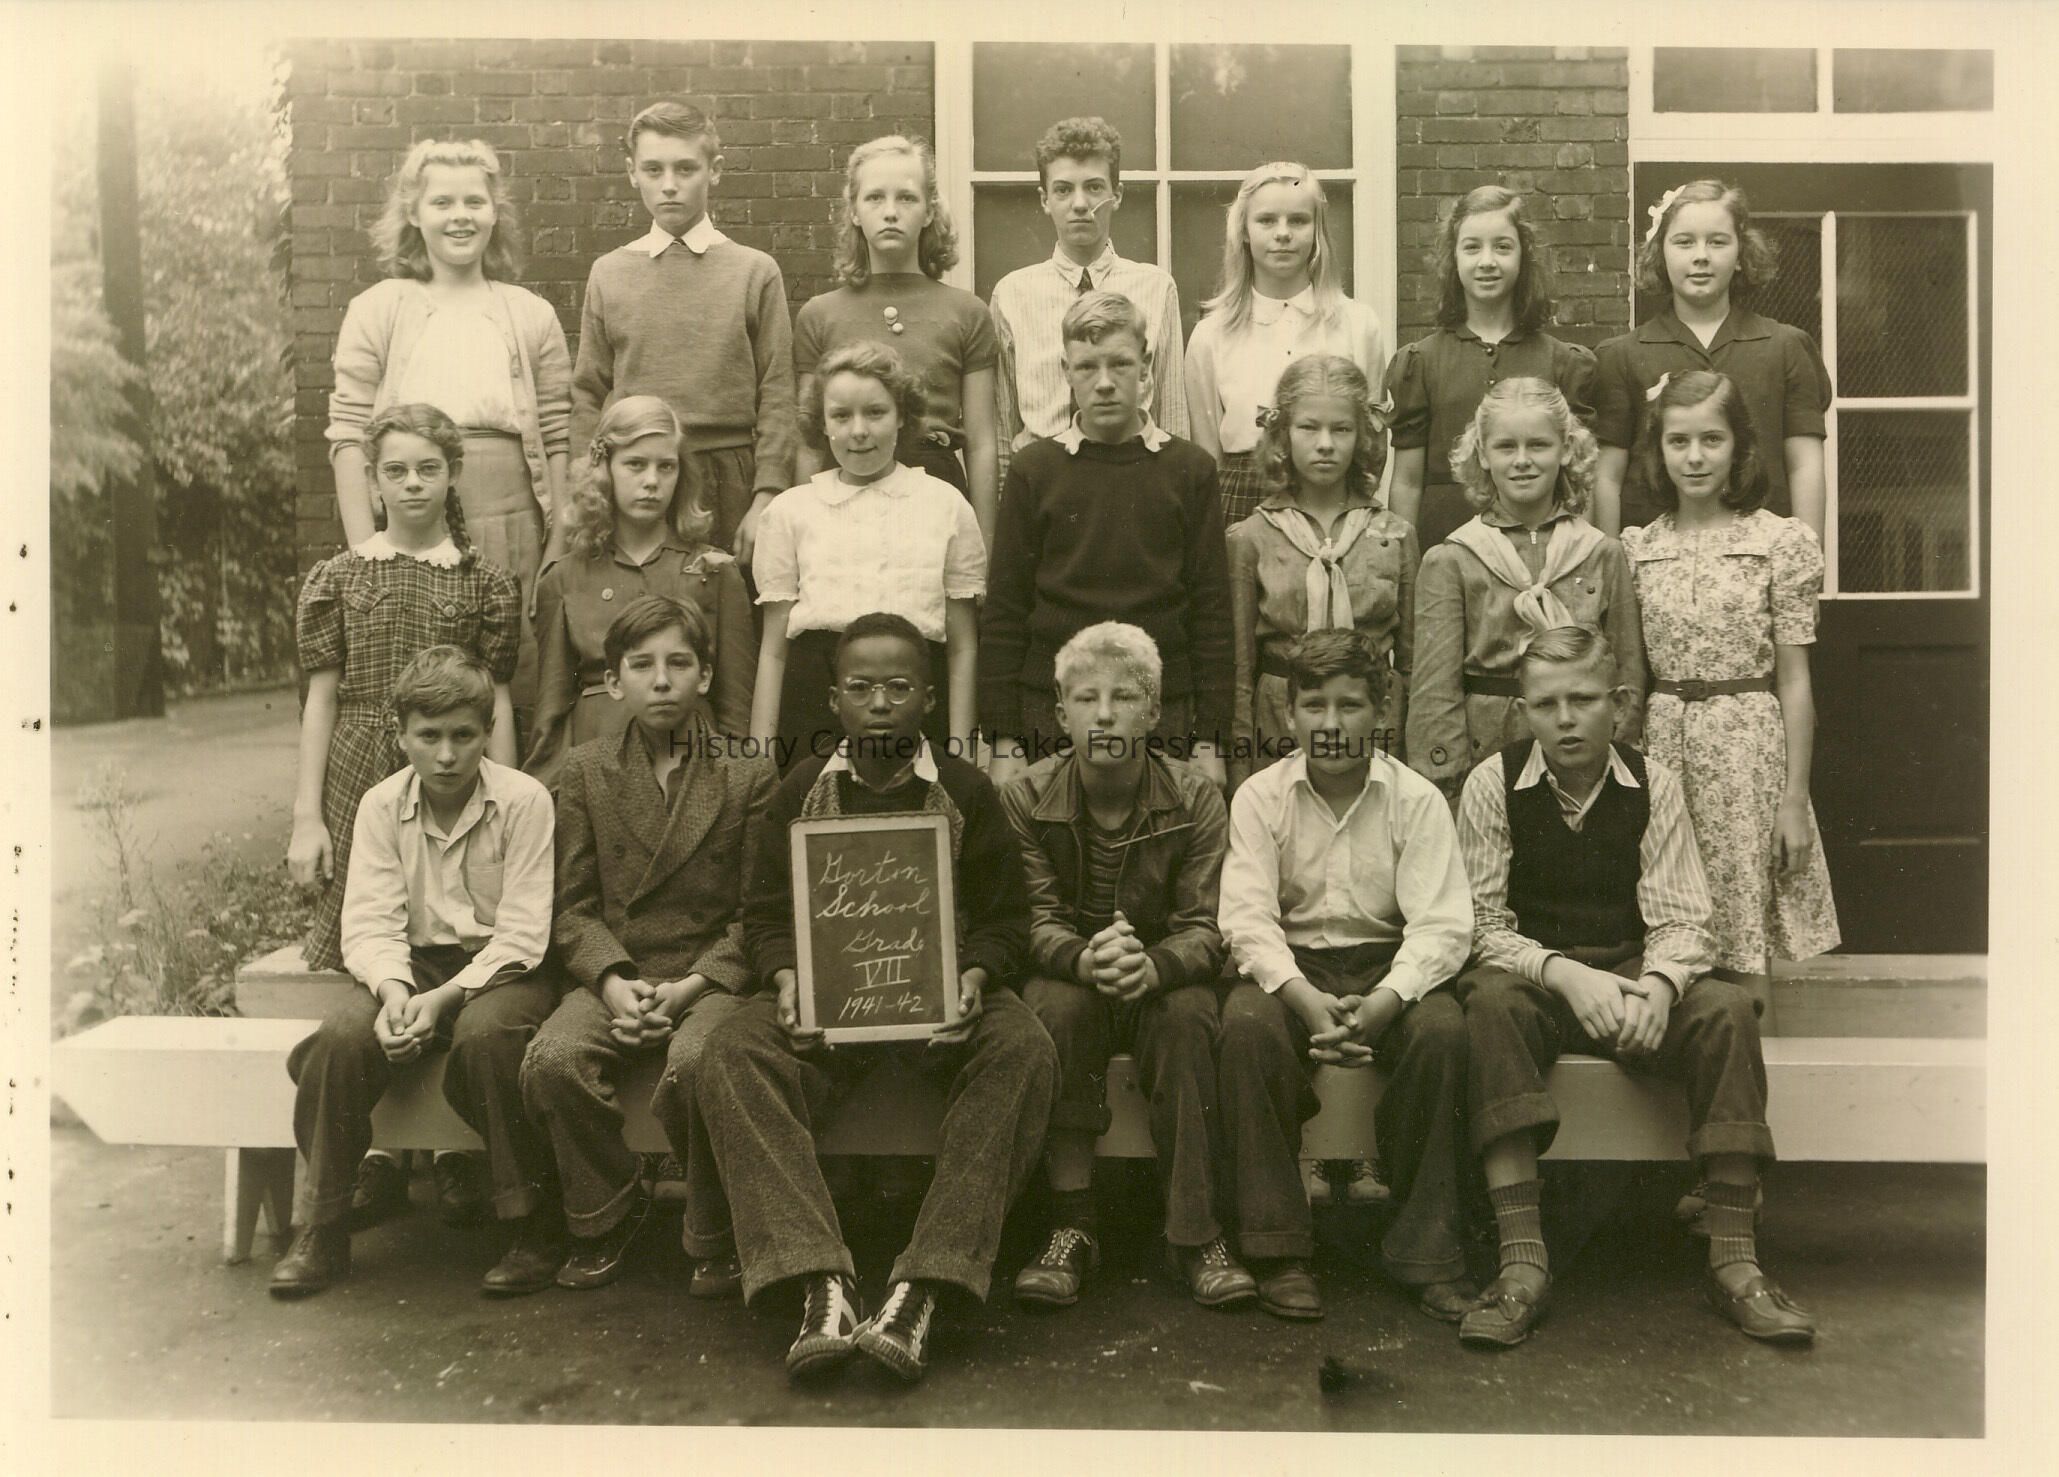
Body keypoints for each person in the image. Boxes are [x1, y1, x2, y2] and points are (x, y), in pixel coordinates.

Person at [697, 612, 1057, 1384]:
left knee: (1024, 1045)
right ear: (833, 699)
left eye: (899, 686)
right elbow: (765, 917)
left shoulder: (966, 790)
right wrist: (786, 980)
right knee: (729, 1049)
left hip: (940, 1008)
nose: (881, 703)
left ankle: (924, 1285)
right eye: (861, 688)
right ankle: (817, 1279)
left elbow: (1006, 920)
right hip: (829, 1008)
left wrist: (974, 979)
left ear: (928, 697)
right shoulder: (801, 790)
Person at [1451, 625, 1816, 1347]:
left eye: (1583, 700)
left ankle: (1734, 1260)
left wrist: (1658, 986)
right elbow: (1481, 925)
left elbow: (1682, 917)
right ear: (1521, 711)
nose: (1565, 719)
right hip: (1539, 982)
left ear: (1617, 704)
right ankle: (1521, 1262)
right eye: (1546, 704)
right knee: (1487, 1004)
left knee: (1727, 1008)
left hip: (1629, 977)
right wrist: (1562, 973)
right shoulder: (1491, 783)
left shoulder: (1655, 783)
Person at [269, 647, 558, 1298]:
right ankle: (323, 1227)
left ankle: (530, 1223)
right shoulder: (380, 805)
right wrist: (396, 995)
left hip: (505, 968)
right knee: (342, 1036)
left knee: (488, 1037)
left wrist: (444, 1001)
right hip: (413, 964)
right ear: (400, 735)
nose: (447, 755)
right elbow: (369, 922)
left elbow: (523, 933)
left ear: (488, 732)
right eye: (428, 736)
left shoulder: (524, 801)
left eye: (463, 735)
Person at [1216, 630, 1477, 1324]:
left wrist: (1388, 1000)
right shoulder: (1259, 797)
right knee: (1244, 1028)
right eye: (1313, 706)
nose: (1330, 724)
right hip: (1292, 967)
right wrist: (1304, 1000)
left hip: (1387, 962)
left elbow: (1442, 925)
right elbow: (1246, 920)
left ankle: (1424, 1251)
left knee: (1443, 1033)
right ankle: (1278, 1248)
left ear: (1382, 711)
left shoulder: (1416, 799)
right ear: (1288, 713)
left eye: (1350, 705)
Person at [518, 596, 778, 1297]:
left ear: (705, 675)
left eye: (679, 663)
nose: (661, 680)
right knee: (552, 1059)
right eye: (641, 665)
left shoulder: (748, 771)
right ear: (613, 682)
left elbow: (757, 915)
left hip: (709, 978)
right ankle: (607, 1210)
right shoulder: (585, 770)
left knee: (700, 1060)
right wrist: (612, 983)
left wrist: (689, 988)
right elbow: (572, 908)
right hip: (620, 970)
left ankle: (714, 1229)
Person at [999, 623, 1252, 1311]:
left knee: (1190, 1014)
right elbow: (1031, 917)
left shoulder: (1196, 797)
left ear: (1155, 711)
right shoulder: (1024, 797)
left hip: (1158, 972)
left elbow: (1205, 924)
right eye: (1086, 698)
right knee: (1054, 1006)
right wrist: (1083, 958)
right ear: (1060, 713)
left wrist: (1154, 966)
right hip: (1073, 972)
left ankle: (1195, 1232)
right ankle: (1071, 1223)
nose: (1104, 714)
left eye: (1125, 697)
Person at [326, 138, 570, 732]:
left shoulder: (529, 313)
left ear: (495, 212)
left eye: (474, 202)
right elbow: (349, 434)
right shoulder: (379, 308)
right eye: (442, 203)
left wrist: (558, 541)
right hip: (411, 520)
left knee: (507, 681)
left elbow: (560, 435)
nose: (460, 216)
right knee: (420, 684)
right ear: (413, 213)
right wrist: (365, 553)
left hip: (512, 521)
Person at [1621, 370, 1840, 1011]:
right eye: (1678, 441)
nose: (1695, 457)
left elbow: (1794, 680)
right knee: (1668, 917)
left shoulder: (1777, 542)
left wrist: (1793, 799)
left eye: (1711, 440)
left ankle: (1751, 1055)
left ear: (1739, 446)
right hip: (1662, 749)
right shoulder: (1638, 549)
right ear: (1658, 450)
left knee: (1742, 934)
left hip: (1746, 755)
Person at [288, 403, 522, 977]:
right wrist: (306, 817)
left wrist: (506, 804)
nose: (412, 483)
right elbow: (321, 700)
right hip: (357, 767)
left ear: (453, 473)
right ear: (373, 479)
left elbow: (497, 702)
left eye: (428, 468)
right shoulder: (340, 577)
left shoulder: (484, 582)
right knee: (367, 933)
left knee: (452, 927)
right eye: (396, 471)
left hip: (450, 766)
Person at [981, 291, 1231, 789]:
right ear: (1066, 371)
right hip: (1053, 705)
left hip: (1162, 705)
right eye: (1087, 367)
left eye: (1120, 364)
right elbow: (1006, 610)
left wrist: (1210, 741)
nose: (1104, 382)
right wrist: (1004, 741)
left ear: (1146, 368)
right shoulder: (1034, 470)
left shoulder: (1190, 470)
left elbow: (1212, 613)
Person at [571, 100, 796, 562]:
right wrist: (586, 487)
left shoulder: (754, 271)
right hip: (637, 477)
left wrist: (767, 495)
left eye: (686, 168)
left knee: (726, 599)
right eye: (653, 169)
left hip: (729, 481)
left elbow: (777, 392)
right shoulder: (610, 272)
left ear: (715, 170)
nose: (669, 185)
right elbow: (588, 393)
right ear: (632, 173)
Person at [1408, 377, 1645, 806]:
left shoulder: (1601, 553)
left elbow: (1627, 676)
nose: (1522, 461)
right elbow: (1434, 693)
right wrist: (1447, 785)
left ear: (1566, 449)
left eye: (1538, 445)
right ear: (1483, 454)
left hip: (1584, 758)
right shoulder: (1453, 559)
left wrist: (1617, 758)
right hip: (1484, 757)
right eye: (1505, 447)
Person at [750, 341, 985, 770]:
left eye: (875, 412)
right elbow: (773, 651)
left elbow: (962, 647)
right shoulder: (789, 511)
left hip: (915, 699)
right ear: (822, 423)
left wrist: (962, 755)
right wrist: (761, 762)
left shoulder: (945, 504)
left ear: (902, 416)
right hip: (815, 709)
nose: (858, 430)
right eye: (841, 416)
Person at [525, 396, 754, 786]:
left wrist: (733, 785)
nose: (652, 481)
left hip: (692, 765)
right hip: (598, 763)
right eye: (635, 464)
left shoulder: (714, 571)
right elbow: (551, 713)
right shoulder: (563, 578)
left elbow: (735, 709)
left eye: (666, 466)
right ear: (604, 470)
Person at [792, 133, 1000, 548]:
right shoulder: (820, 314)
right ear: (854, 211)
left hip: (935, 492)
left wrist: (984, 548)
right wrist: (802, 539)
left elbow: (981, 444)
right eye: (874, 198)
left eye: (906, 198)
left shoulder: (966, 312)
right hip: (843, 488)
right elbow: (809, 444)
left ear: (929, 212)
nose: (890, 212)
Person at [1593, 178, 1832, 538]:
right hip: (1656, 560)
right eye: (1684, 242)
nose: (1701, 256)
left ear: (1741, 254)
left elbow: (1804, 466)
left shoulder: (1785, 347)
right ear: (1660, 253)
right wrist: (1608, 567)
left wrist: (1806, 559)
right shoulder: (1622, 356)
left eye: (1717, 242)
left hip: (1761, 557)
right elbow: (1607, 477)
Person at [1228, 354, 1416, 790]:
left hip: (1372, 722)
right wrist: (1239, 768)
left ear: (1362, 436)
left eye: (1341, 429)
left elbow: (1413, 664)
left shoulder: (1394, 535)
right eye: (1309, 428)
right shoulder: (1250, 537)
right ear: (1282, 434)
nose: (1325, 443)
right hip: (1279, 725)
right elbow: (1239, 669)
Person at [1385, 185, 1597, 553]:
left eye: (1502, 247)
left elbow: (1580, 480)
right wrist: (1405, 566)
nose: (1487, 261)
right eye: (1472, 247)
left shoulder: (1563, 362)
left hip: (1542, 547)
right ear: (1453, 257)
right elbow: (1407, 482)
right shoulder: (1421, 362)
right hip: (1446, 542)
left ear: (1523, 256)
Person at [1185, 161, 1390, 528]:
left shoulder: (1358, 324)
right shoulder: (1210, 334)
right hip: (1242, 501)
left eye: (1298, 221)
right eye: (1266, 220)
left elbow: (1372, 445)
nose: (1283, 234)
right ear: (1244, 232)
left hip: (1335, 499)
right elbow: (1207, 455)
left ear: (1317, 231)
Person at [989, 115, 1188, 478]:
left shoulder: (1156, 287)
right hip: (1042, 482)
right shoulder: (1012, 294)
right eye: (1063, 190)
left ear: (1117, 195)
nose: (1080, 204)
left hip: (1133, 477)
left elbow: (1172, 421)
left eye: (1094, 187)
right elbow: (1004, 433)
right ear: (1045, 199)